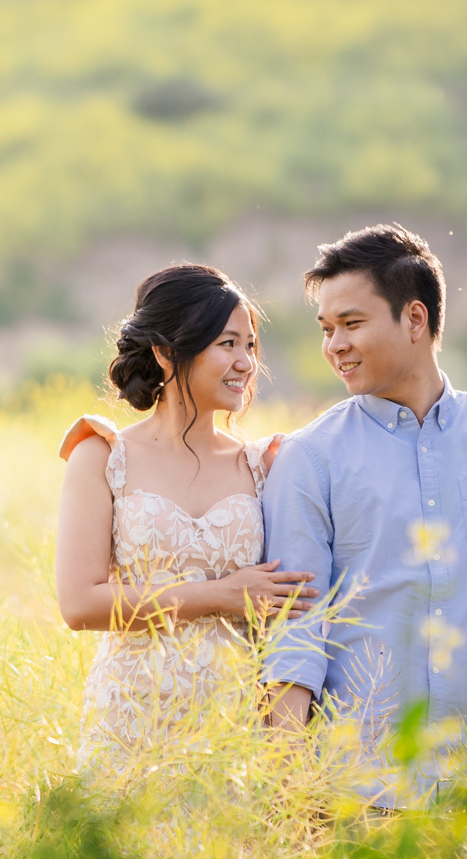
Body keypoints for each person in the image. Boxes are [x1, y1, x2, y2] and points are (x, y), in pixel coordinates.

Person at [259, 224, 467, 816]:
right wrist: (294, 787)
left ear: (415, 319)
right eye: (326, 330)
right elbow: (294, 635)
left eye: (351, 324)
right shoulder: (309, 458)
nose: (334, 345)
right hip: (356, 794)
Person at [56, 264, 317, 771]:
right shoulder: (103, 454)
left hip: (232, 730)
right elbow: (79, 604)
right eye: (227, 344)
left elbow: (294, 604)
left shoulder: (264, 465)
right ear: (166, 350)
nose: (245, 363)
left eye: (251, 346)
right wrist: (219, 595)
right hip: (130, 723)